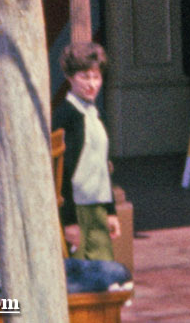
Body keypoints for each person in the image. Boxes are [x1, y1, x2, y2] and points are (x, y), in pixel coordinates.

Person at [52, 42, 120, 260]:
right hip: (76, 209)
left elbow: (102, 166)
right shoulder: (66, 116)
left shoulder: (97, 114)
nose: (92, 84)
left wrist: (111, 211)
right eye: (84, 77)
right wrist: (69, 220)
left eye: (96, 77)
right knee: (77, 273)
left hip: (97, 208)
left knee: (105, 271)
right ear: (70, 77)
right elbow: (62, 171)